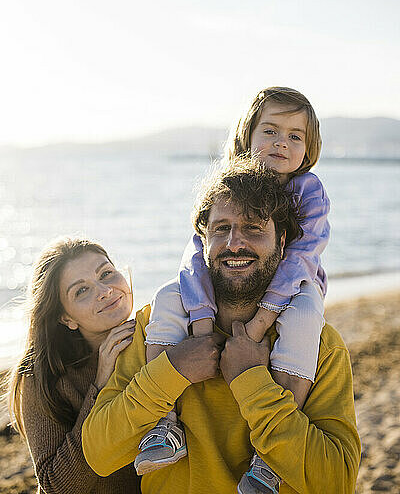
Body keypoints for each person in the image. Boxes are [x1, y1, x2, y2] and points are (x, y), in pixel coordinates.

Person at [82, 158, 361, 494]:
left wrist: (252, 384)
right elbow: (99, 454)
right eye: (221, 228)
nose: (234, 243)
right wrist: (172, 369)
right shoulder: (155, 326)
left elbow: (337, 481)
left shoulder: (320, 346)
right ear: (203, 239)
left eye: (254, 228)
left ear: (282, 241)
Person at [139, 87, 330, 492]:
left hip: (294, 287)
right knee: (169, 296)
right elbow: (196, 256)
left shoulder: (307, 191)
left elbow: (300, 258)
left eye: (296, 136)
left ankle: (269, 459)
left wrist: (261, 324)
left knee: (307, 312)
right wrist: (204, 326)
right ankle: (163, 425)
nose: (283, 142)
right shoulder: (227, 183)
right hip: (224, 287)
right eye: (271, 130)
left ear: (308, 149)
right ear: (247, 136)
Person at [8, 237, 140, 494]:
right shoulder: (41, 377)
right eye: (81, 290)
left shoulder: (158, 337)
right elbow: (55, 486)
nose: (104, 290)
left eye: (106, 273)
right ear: (66, 317)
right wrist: (100, 385)